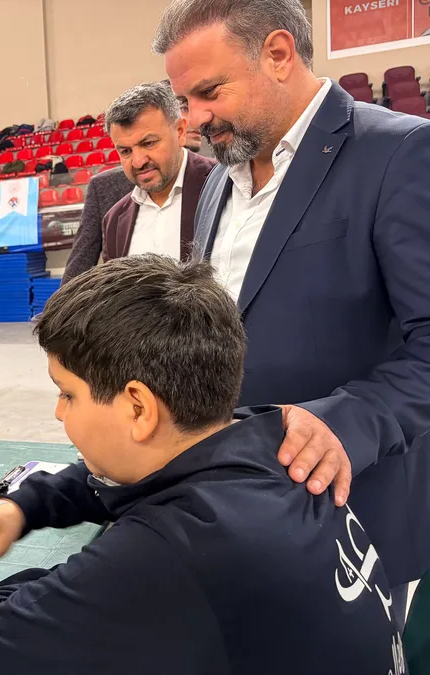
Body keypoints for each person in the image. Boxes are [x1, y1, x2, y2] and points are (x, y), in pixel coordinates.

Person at [0, 256, 402, 675]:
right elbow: (133, 476)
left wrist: (80, 581)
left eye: (67, 394)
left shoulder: (169, 556)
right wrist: (22, 507)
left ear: (138, 408)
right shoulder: (277, 441)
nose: (58, 412)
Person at [154, 0, 430, 624]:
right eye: (184, 101)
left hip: (354, 515)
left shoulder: (399, 153)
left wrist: (346, 423)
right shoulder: (220, 181)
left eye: (209, 92)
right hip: (239, 507)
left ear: (278, 54)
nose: (193, 121)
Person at [96, 82, 216, 265]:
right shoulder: (114, 221)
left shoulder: (224, 184)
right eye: (126, 151)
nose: (138, 161)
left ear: (180, 132)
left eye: (149, 143)